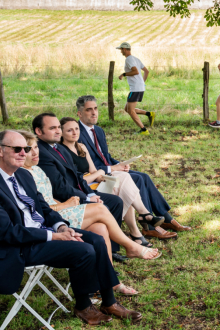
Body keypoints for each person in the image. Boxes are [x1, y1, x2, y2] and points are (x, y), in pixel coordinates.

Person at [0, 130, 142, 325]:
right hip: (17, 246)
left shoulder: (22, 175)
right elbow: (8, 233)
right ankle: (83, 306)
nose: (23, 154)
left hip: (41, 232)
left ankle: (109, 301)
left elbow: (43, 207)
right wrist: (52, 237)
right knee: (84, 250)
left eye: (25, 149)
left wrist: (60, 227)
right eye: (17, 149)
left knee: (97, 240)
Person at [19, 129, 160, 271]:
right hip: (47, 223)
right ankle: (131, 245)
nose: (35, 152)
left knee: (100, 227)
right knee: (99, 208)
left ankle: (109, 279)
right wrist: (64, 205)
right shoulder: (21, 176)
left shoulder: (36, 169)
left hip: (58, 211)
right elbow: (37, 210)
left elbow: (47, 197)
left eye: (36, 147)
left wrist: (63, 203)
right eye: (28, 149)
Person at [74, 95, 191, 233]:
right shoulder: (76, 134)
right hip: (96, 176)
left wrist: (121, 164)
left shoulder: (98, 130)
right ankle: (150, 225)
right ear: (79, 113)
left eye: (95, 108)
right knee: (138, 179)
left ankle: (166, 218)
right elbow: (83, 167)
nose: (94, 113)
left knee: (145, 176)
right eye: (89, 110)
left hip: (110, 170)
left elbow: (106, 156)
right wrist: (111, 168)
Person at [60, 117, 176, 242]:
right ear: (61, 133)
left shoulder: (81, 147)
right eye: (69, 130)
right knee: (124, 188)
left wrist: (105, 177)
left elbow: (94, 171)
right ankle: (140, 225)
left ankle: (142, 220)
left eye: (76, 129)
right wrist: (99, 173)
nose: (75, 132)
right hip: (85, 188)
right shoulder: (62, 152)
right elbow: (77, 180)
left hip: (95, 182)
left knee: (124, 179)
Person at [32, 113, 126, 259]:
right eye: (52, 128)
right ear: (39, 131)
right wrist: (86, 199)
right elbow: (60, 187)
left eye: (58, 127)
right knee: (104, 207)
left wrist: (91, 194)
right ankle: (115, 246)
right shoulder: (41, 152)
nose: (58, 131)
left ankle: (111, 249)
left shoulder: (59, 148)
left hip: (78, 193)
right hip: (63, 200)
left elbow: (77, 176)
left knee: (115, 202)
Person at [117, 42, 154, 136]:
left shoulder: (129, 59)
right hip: (139, 87)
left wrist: (123, 74)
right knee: (127, 108)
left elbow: (136, 71)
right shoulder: (136, 59)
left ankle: (143, 130)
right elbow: (146, 71)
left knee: (131, 111)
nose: (121, 51)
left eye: (121, 49)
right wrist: (142, 83)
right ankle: (149, 114)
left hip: (135, 89)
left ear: (125, 49)